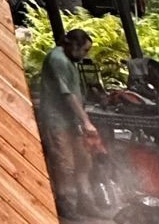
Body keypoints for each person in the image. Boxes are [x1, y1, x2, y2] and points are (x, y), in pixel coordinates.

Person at [38, 28, 100, 216]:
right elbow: (68, 95)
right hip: (56, 120)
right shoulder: (57, 59)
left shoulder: (70, 60)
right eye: (84, 50)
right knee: (65, 164)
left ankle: (86, 201)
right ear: (73, 45)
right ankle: (66, 202)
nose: (84, 55)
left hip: (71, 121)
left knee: (83, 161)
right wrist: (86, 121)